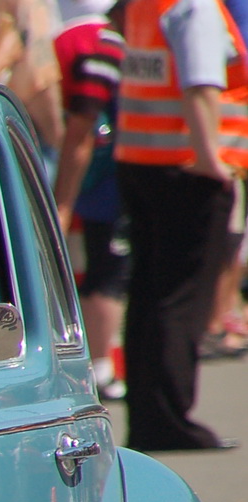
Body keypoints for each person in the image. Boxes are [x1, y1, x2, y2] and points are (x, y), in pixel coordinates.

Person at [115, 0, 248, 449]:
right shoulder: (196, 8)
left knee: (150, 297)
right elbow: (201, 86)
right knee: (180, 301)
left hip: (143, 161)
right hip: (189, 169)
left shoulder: (148, 6)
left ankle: (150, 417)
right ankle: (169, 419)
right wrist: (213, 164)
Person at [52, 0, 129, 399]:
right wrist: (62, 201)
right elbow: (83, 128)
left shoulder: (65, 37)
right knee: (107, 272)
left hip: (84, 182)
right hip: (96, 186)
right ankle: (100, 366)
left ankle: (97, 363)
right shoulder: (102, 44)